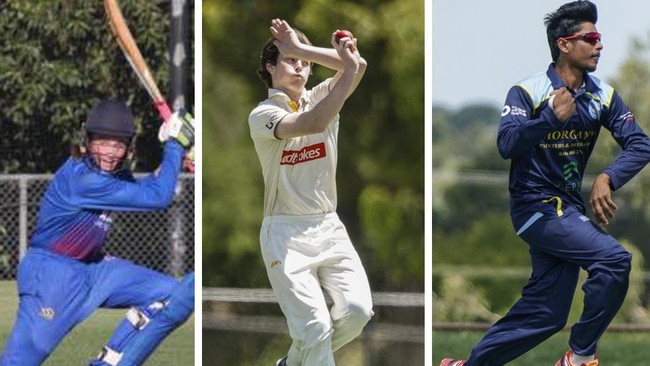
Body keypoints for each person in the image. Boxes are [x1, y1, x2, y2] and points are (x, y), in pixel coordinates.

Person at [440, 1, 650, 366]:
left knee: (546, 314)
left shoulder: (603, 94)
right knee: (614, 260)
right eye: (592, 38)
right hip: (534, 207)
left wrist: (608, 176)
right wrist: (550, 119)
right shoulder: (527, 91)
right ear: (564, 44)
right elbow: (507, 144)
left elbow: (641, 143)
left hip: (567, 211)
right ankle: (580, 356)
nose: (600, 45)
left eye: (600, 38)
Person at [0, 99, 195, 366]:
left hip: (94, 268)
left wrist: (177, 154)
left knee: (174, 294)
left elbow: (151, 184)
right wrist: (175, 145)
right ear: (87, 141)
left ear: (128, 147)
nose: (109, 152)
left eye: (117, 144)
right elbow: (158, 196)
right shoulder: (84, 179)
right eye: (102, 142)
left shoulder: (113, 177)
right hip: (52, 275)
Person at [248, 19, 374, 366]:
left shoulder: (321, 95)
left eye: (304, 62)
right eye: (289, 60)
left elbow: (357, 66)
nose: (300, 67)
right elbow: (313, 123)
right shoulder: (263, 115)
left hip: (328, 227)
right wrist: (342, 61)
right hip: (284, 233)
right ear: (270, 67)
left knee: (359, 312)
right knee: (315, 325)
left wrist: (300, 49)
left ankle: (291, 363)